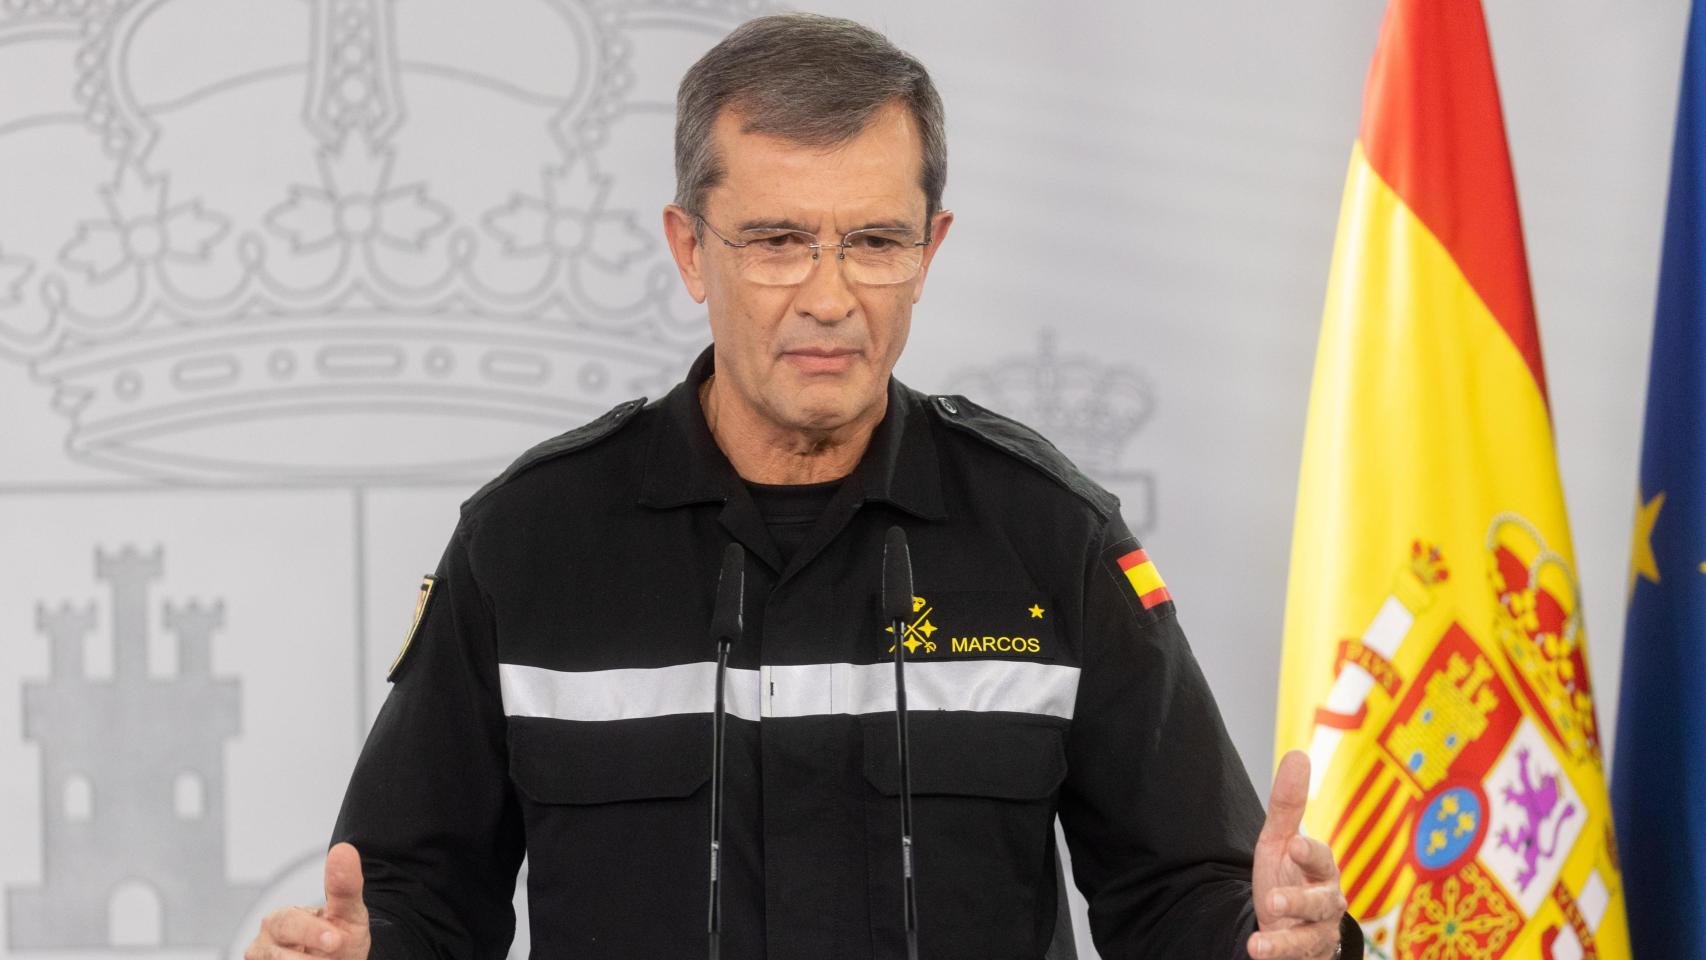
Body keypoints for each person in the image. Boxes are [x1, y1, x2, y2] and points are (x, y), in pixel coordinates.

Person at [245, 13, 1358, 960]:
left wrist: (1279, 938)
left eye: (874, 240)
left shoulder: (1048, 535)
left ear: (931, 247)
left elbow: (1180, 897)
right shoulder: (530, 544)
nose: (828, 296)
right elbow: (418, 898)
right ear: (690, 250)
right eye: (777, 240)